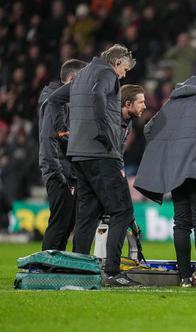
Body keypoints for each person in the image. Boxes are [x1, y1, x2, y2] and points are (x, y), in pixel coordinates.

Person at [48, 44, 138, 287]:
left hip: (79, 154)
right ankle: (112, 272)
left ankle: (79, 270)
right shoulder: (106, 74)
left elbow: (53, 101)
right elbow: (99, 95)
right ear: (117, 62)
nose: (124, 75)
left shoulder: (83, 74)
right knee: (123, 211)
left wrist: (61, 129)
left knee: (87, 215)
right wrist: (103, 130)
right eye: (125, 69)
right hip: (100, 153)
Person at [134, 74, 196, 287]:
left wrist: (172, 150)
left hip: (176, 170)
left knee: (181, 223)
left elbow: (149, 129)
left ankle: (183, 277)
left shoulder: (173, 101)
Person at [38, 59, 87, 251]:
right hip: (59, 170)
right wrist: (58, 173)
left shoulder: (65, 101)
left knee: (66, 225)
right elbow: (48, 138)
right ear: (73, 79)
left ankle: (55, 267)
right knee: (59, 224)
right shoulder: (53, 101)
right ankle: (43, 269)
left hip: (68, 171)